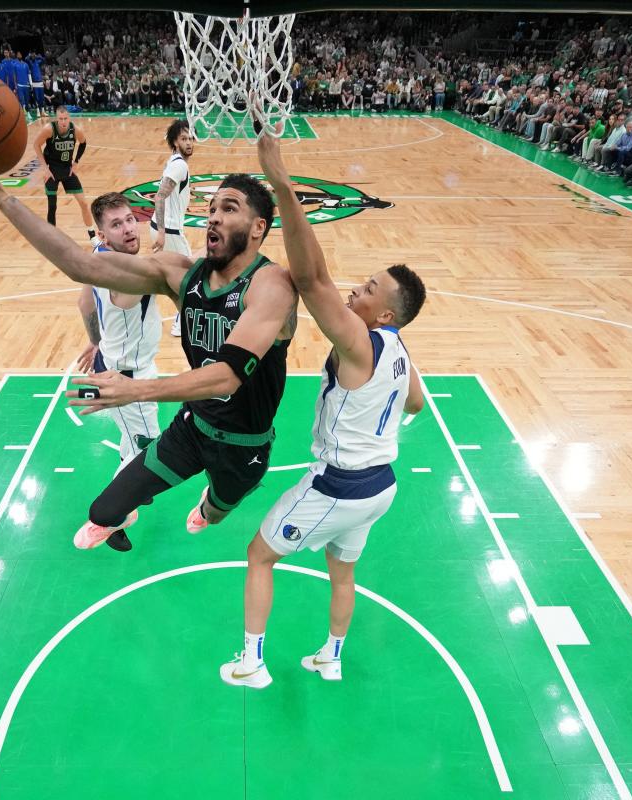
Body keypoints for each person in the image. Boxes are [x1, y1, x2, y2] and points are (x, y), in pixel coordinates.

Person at [0, 159, 297, 553]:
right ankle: (123, 515)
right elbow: (78, 265)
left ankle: (208, 505)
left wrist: (135, 389)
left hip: (244, 443)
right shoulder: (181, 274)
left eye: (228, 209)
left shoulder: (272, 286)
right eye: (211, 208)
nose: (213, 217)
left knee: (215, 513)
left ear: (258, 228)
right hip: (194, 427)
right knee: (102, 509)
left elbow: (227, 376)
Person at [220, 131, 426, 690]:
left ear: (384, 316)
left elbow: (311, 280)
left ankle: (252, 663)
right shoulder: (399, 349)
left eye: (367, 290)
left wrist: (280, 180)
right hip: (381, 487)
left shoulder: (361, 342)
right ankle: (330, 657)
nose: (355, 293)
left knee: (259, 555)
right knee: (342, 571)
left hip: (340, 486)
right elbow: (416, 402)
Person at [77, 192, 162, 482]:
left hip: (112, 362)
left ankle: (126, 460)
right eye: (116, 225)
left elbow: (85, 303)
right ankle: (106, 521)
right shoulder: (130, 273)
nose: (128, 228)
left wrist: (95, 341)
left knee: (133, 440)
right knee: (149, 457)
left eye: (130, 219)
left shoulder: (97, 256)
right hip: (128, 380)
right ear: (102, 233)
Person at [152, 118, 195, 337]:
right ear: (175, 142)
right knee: (191, 276)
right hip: (168, 230)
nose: (189, 142)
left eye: (190, 138)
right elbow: (160, 196)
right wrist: (161, 232)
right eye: (183, 139)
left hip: (165, 227)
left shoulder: (175, 161)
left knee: (170, 276)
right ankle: (181, 323)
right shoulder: (179, 165)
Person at [33, 106, 95, 242]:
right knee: (52, 205)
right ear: (56, 119)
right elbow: (36, 145)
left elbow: (83, 143)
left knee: (84, 203)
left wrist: (76, 162)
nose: (63, 122)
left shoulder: (75, 130)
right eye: (60, 119)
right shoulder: (49, 129)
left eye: (65, 118)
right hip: (52, 170)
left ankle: (93, 237)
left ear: (69, 118)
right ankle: (52, 239)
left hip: (67, 170)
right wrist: (45, 169)